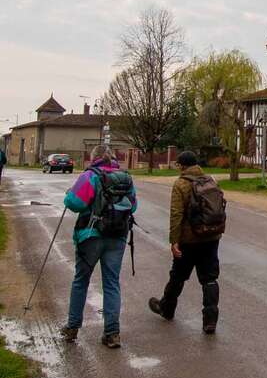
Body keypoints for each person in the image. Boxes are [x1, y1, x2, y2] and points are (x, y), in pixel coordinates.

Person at [60, 145, 137, 349]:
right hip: (118, 236)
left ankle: (72, 327)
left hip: (91, 234)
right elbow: (133, 205)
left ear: (93, 158)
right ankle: (112, 333)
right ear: (112, 158)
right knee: (111, 282)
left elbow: (74, 202)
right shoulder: (125, 178)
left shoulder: (90, 176)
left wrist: (69, 195)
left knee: (81, 281)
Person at [149, 150, 223, 334]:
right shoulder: (211, 180)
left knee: (178, 275)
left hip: (189, 240)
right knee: (210, 278)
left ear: (182, 165)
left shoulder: (181, 184)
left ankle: (167, 308)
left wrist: (174, 241)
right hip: (211, 237)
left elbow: (176, 214)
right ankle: (210, 320)